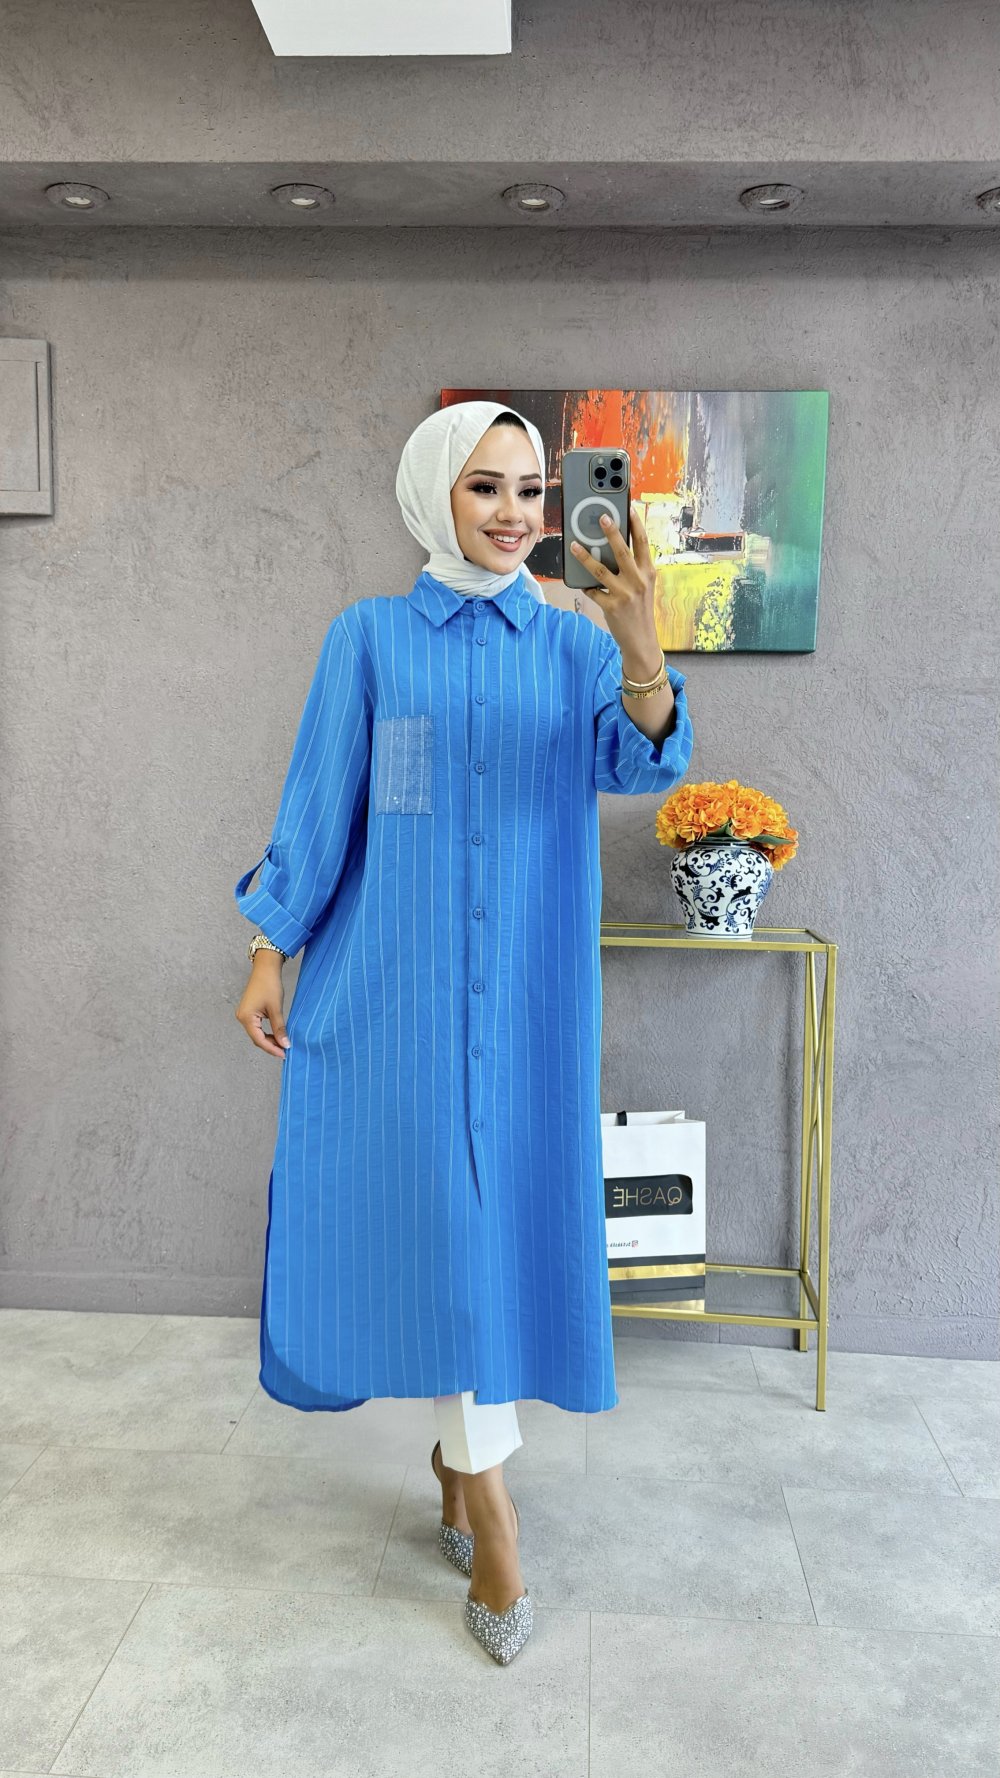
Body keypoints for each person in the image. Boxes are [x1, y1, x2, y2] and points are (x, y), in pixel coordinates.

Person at [234, 399, 694, 1664]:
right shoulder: (369, 638)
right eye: (485, 486)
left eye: (531, 489)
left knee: (493, 1236)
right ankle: (491, 1510)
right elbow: (322, 801)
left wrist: (641, 649)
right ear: (433, 492)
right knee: (444, 1230)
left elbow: (642, 766)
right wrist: (270, 947)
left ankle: (458, 1459)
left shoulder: (575, 644)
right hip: (398, 995)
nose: (513, 513)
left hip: (530, 999)